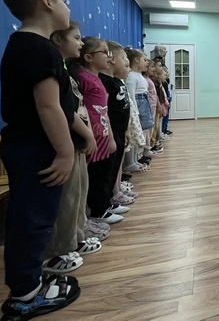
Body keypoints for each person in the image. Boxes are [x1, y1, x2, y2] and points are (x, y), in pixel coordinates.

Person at [0, 0, 81, 319]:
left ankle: (28, 280)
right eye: (63, 0)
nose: (67, 7)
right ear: (47, 3)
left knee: (27, 217)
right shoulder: (39, 48)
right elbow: (49, 106)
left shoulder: (25, 44)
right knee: (33, 220)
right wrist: (65, 152)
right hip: (36, 148)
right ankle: (26, 296)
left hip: (25, 145)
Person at [42, 22, 100, 276]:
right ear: (58, 40)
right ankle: (57, 250)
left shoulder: (67, 70)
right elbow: (61, 109)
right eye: (76, 38)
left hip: (76, 143)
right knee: (66, 200)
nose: (81, 42)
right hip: (66, 142)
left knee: (78, 194)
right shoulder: (53, 66)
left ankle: (75, 238)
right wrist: (86, 134)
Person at [71, 37, 124, 225]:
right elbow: (80, 109)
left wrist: (110, 137)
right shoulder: (82, 78)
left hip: (103, 134)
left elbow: (104, 111)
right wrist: (88, 135)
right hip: (92, 135)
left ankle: (105, 205)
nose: (109, 57)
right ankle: (98, 211)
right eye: (105, 52)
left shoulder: (97, 78)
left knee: (104, 172)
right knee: (96, 175)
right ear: (88, 57)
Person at [100, 41, 136, 208]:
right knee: (109, 167)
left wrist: (127, 130)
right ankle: (107, 201)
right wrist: (111, 136)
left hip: (121, 130)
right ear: (113, 59)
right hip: (111, 131)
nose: (126, 63)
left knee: (116, 165)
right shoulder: (105, 81)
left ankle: (115, 193)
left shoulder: (117, 81)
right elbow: (104, 110)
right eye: (124, 59)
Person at [125, 48, 154, 168]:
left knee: (141, 133)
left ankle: (136, 158)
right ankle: (130, 162)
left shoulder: (139, 75)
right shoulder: (131, 76)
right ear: (136, 60)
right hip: (138, 106)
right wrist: (136, 112)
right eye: (144, 60)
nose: (147, 62)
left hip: (144, 102)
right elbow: (131, 96)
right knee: (135, 134)